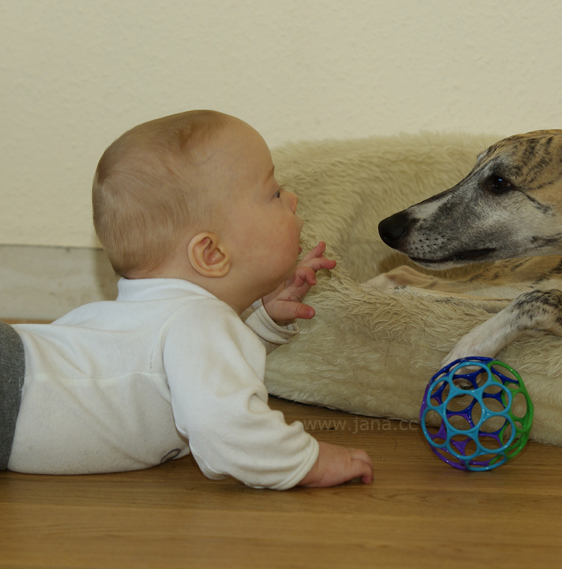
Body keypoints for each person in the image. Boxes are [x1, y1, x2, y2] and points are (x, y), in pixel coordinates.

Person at [0, 110, 374, 490]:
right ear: (211, 254)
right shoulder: (198, 321)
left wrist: (262, 323)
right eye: (274, 193)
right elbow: (225, 425)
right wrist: (307, 461)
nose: (292, 199)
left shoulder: (163, 321)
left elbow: (193, 375)